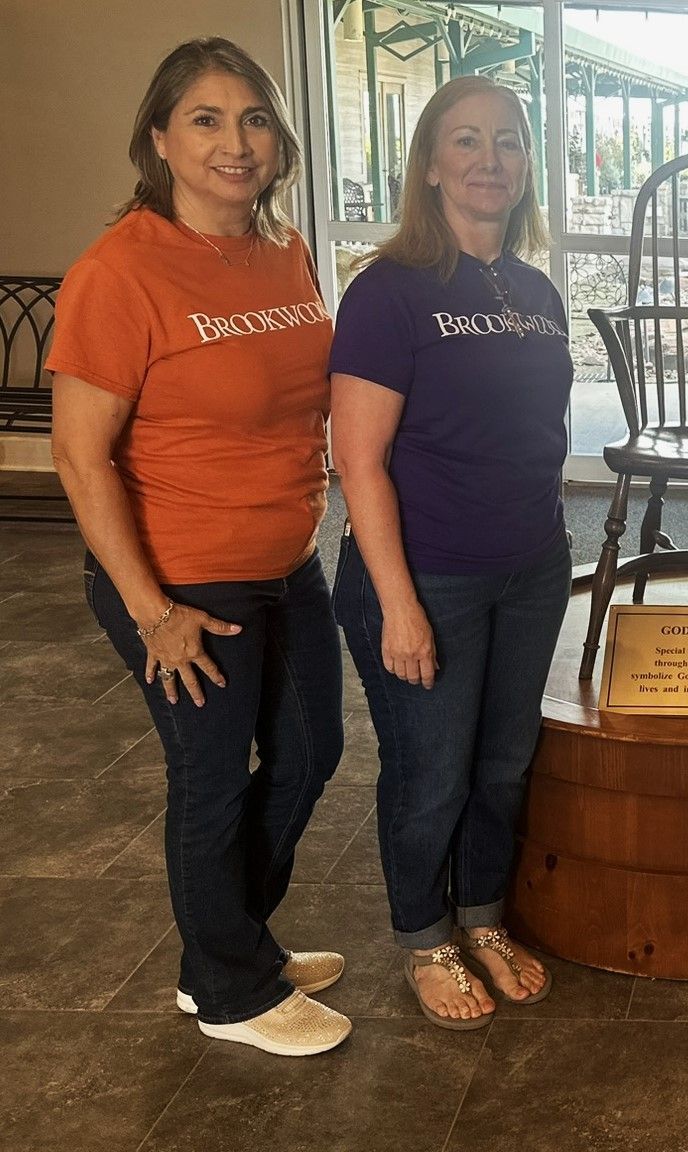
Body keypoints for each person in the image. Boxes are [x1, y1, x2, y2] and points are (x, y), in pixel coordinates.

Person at [49, 38, 349, 1056]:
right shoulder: (120, 270)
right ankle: (228, 988)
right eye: (208, 120)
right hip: (181, 575)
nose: (236, 141)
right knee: (213, 777)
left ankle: (228, 946)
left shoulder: (285, 250)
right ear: (160, 139)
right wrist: (152, 611)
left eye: (254, 118)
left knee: (313, 754)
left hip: (287, 563)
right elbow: (82, 460)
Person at [329, 75, 572, 1029]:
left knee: (505, 764)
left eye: (507, 142)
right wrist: (397, 602)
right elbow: (358, 459)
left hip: (531, 566)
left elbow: (533, 431)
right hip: (428, 575)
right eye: (465, 142)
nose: (489, 160)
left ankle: (482, 917)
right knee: (430, 771)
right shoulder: (388, 292)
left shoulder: (534, 288)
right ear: (430, 165)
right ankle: (423, 936)